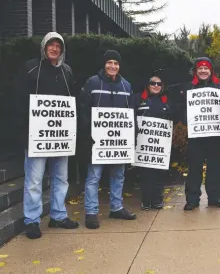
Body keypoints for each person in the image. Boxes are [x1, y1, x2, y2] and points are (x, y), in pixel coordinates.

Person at [14, 32, 79, 239]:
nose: (54, 49)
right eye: (50, 45)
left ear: (62, 49)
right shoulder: (30, 68)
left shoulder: (67, 71)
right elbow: (20, 101)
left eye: (58, 46)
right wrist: (25, 129)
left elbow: (72, 102)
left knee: (61, 178)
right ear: (44, 47)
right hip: (36, 137)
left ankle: (58, 215)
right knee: (34, 179)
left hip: (60, 137)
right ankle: (32, 220)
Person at [79, 50, 136, 229]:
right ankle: (91, 212)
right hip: (98, 142)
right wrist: (90, 132)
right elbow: (83, 109)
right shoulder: (93, 82)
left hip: (119, 142)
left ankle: (117, 207)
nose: (113, 66)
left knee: (118, 175)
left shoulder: (126, 86)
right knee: (94, 176)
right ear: (104, 64)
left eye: (116, 64)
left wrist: (130, 137)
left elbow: (131, 114)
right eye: (110, 63)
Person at [169, 57, 220, 211]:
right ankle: (192, 199)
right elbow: (179, 107)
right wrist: (187, 120)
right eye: (200, 68)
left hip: (215, 136)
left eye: (206, 68)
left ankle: (215, 198)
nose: (203, 71)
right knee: (194, 168)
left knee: (214, 168)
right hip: (196, 137)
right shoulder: (188, 88)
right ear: (195, 71)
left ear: (211, 71)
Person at [133, 72, 173, 210]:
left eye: (159, 84)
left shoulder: (166, 101)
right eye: (153, 83)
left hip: (160, 145)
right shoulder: (138, 99)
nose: (156, 86)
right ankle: (146, 200)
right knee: (145, 173)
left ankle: (157, 200)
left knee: (159, 174)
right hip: (143, 145)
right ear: (148, 85)